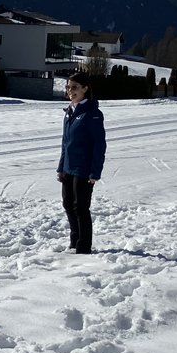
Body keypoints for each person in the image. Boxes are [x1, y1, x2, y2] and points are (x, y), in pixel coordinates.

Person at [57, 72, 107, 254]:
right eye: (68, 87)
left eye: (74, 87)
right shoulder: (69, 112)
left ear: (85, 88)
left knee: (81, 208)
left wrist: (95, 172)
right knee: (68, 204)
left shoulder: (93, 114)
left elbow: (99, 145)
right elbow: (65, 143)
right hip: (69, 167)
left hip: (84, 169)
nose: (70, 91)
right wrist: (61, 167)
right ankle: (74, 242)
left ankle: (83, 247)